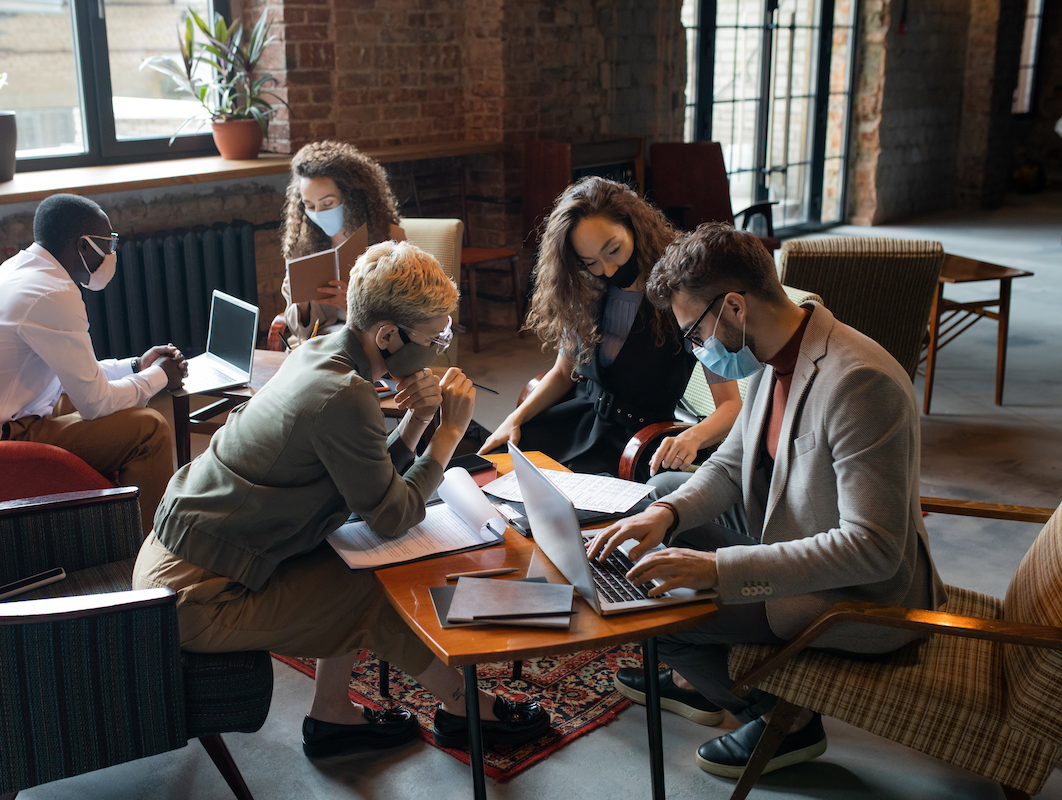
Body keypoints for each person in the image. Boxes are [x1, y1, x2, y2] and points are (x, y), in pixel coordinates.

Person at [134, 241, 551, 758]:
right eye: (436, 335)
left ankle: (334, 716)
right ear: (387, 336)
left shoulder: (319, 351)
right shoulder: (344, 394)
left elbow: (366, 479)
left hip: (181, 560)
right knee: (369, 590)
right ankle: (467, 710)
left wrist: (419, 420)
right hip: (195, 597)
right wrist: (448, 437)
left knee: (356, 562)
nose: (443, 346)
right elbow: (392, 514)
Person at [586, 222, 946, 778]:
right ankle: (707, 684)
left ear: (733, 306)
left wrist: (719, 569)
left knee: (661, 618)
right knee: (657, 497)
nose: (696, 349)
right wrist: (667, 514)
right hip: (798, 526)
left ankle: (785, 722)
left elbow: (873, 549)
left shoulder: (858, 383)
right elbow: (731, 466)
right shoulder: (776, 351)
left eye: (694, 333)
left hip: (864, 595)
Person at [0, 193, 185, 526]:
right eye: (108, 244)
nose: (111, 254)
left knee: (110, 404)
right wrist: (161, 377)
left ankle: (114, 522)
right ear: (82, 245)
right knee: (148, 429)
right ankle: (150, 546)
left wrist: (136, 366)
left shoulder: (22, 270)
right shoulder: (51, 293)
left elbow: (75, 376)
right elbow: (95, 402)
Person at [478, 176, 742, 479]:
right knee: (495, 466)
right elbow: (563, 373)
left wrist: (692, 437)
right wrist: (515, 418)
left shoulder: (684, 295)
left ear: (635, 226)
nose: (608, 270)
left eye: (613, 250)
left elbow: (731, 406)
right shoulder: (587, 288)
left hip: (634, 443)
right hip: (579, 419)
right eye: (590, 262)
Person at [280, 140, 406, 343]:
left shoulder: (390, 239)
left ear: (352, 197)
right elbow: (300, 334)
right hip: (320, 345)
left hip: (371, 344)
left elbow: (405, 316)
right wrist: (301, 304)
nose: (318, 213)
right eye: (309, 206)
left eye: (327, 203)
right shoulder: (300, 247)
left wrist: (353, 307)